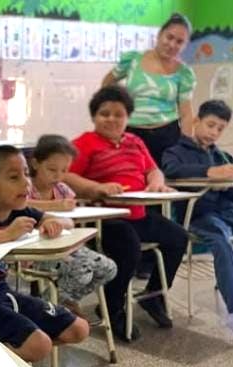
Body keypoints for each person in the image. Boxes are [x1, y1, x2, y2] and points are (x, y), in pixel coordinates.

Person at [63, 85, 188, 341]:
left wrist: (156, 181)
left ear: (127, 117)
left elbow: (153, 170)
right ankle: (113, 307)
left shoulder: (135, 142)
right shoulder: (84, 143)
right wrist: (97, 187)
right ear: (94, 116)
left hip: (138, 213)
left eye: (118, 114)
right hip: (104, 216)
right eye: (104, 113)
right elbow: (66, 175)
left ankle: (154, 297)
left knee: (178, 237)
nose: (111, 119)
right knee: (129, 248)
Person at [0, 145, 89, 362]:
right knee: (39, 346)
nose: (26, 183)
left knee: (78, 329)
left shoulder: (19, 210)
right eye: (14, 177)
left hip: (4, 294)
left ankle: (3, 353)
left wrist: (54, 223)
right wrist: (8, 234)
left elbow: (66, 220)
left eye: (26, 174)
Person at [27, 134, 117, 316]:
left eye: (64, 171)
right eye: (52, 169)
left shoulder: (62, 190)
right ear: (36, 163)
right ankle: (50, 308)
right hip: (37, 251)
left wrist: (66, 214)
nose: (58, 176)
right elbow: (20, 205)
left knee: (109, 268)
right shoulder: (25, 187)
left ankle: (59, 301)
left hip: (67, 245)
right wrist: (54, 206)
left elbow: (71, 220)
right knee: (81, 271)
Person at [162, 99, 233, 326]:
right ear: (196, 121)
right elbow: (171, 170)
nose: (214, 133)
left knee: (222, 230)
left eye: (220, 129)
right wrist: (210, 172)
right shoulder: (175, 151)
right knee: (221, 239)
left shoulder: (220, 155)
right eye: (210, 125)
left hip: (223, 212)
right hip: (196, 215)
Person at [102, 12, 195, 166]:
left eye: (179, 42)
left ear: (184, 45)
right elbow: (107, 83)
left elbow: (186, 114)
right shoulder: (133, 60)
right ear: (159, 35)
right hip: (130, 133)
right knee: (131, 180)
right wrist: (114, 114)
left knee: (164, 185)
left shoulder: (184, 73)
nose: (172, 45)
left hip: (167, 136)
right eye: (169, 37)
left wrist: (185, 148)